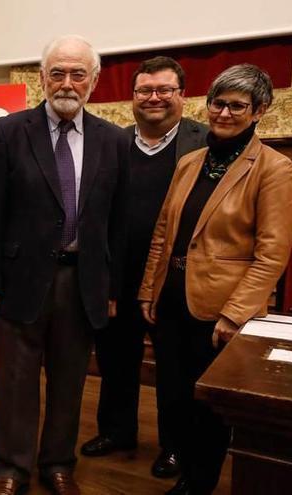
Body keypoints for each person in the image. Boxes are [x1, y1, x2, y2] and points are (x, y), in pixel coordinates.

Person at [0, 35, 128, 495]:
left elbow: (117, 224)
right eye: (57, 72)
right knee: (17, 382)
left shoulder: (114, 140)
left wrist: (112, 288)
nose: (66, 82)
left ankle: (58, 464)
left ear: (94, 81)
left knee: (70, 380)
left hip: (83, 282)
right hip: (20, 281)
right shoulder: (7, 132)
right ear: (41, 78)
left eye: (77, 73)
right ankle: (11, 469)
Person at [138, 64, 292, 495]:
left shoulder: (273, 169)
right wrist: (148, 290)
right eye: (217, 102)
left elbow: (271, 255)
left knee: (206, 407)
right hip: (171, 301)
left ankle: (199, 483)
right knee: (172, 398)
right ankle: (188, 469)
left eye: (237, 106)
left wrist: (234, 315)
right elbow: (162, 233)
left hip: (220, 314)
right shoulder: (190, 162)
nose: (223, 113)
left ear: (259, 110)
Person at [82, 56, 207, 479]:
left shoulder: (204, 143)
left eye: (164, 90)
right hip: (118, 274)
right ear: (132, 97)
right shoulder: (110, 143)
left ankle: (176, 446)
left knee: (175, 369)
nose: (153, 98)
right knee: (115, 360)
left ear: (181, 96)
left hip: (174, 280)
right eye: (144, 91)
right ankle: (117, 431)